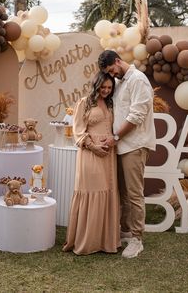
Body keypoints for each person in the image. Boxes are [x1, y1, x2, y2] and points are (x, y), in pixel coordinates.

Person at [98, 50, 156, 259]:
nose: (112, 75)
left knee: (134, 194)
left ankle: (137, 239)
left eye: (112, 70)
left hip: (135, 145)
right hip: (121, 145)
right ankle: (125, 232)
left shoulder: (138, 80)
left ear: (117, 61)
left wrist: (115, 137)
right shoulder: (120, 81)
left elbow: (136, 115)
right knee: (122, 193)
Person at [62, 71, 121, 255]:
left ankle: (105, 241)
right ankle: (87, 242)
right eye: (103, 87)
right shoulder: (84, 102)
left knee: (107, 191)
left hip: (109, 155)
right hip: (90, 153)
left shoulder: (112, 103)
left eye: (109, 88)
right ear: (96, 85)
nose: (106, 90)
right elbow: (78, 130)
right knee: (91, 191)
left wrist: (113, 140)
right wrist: (93, 146)